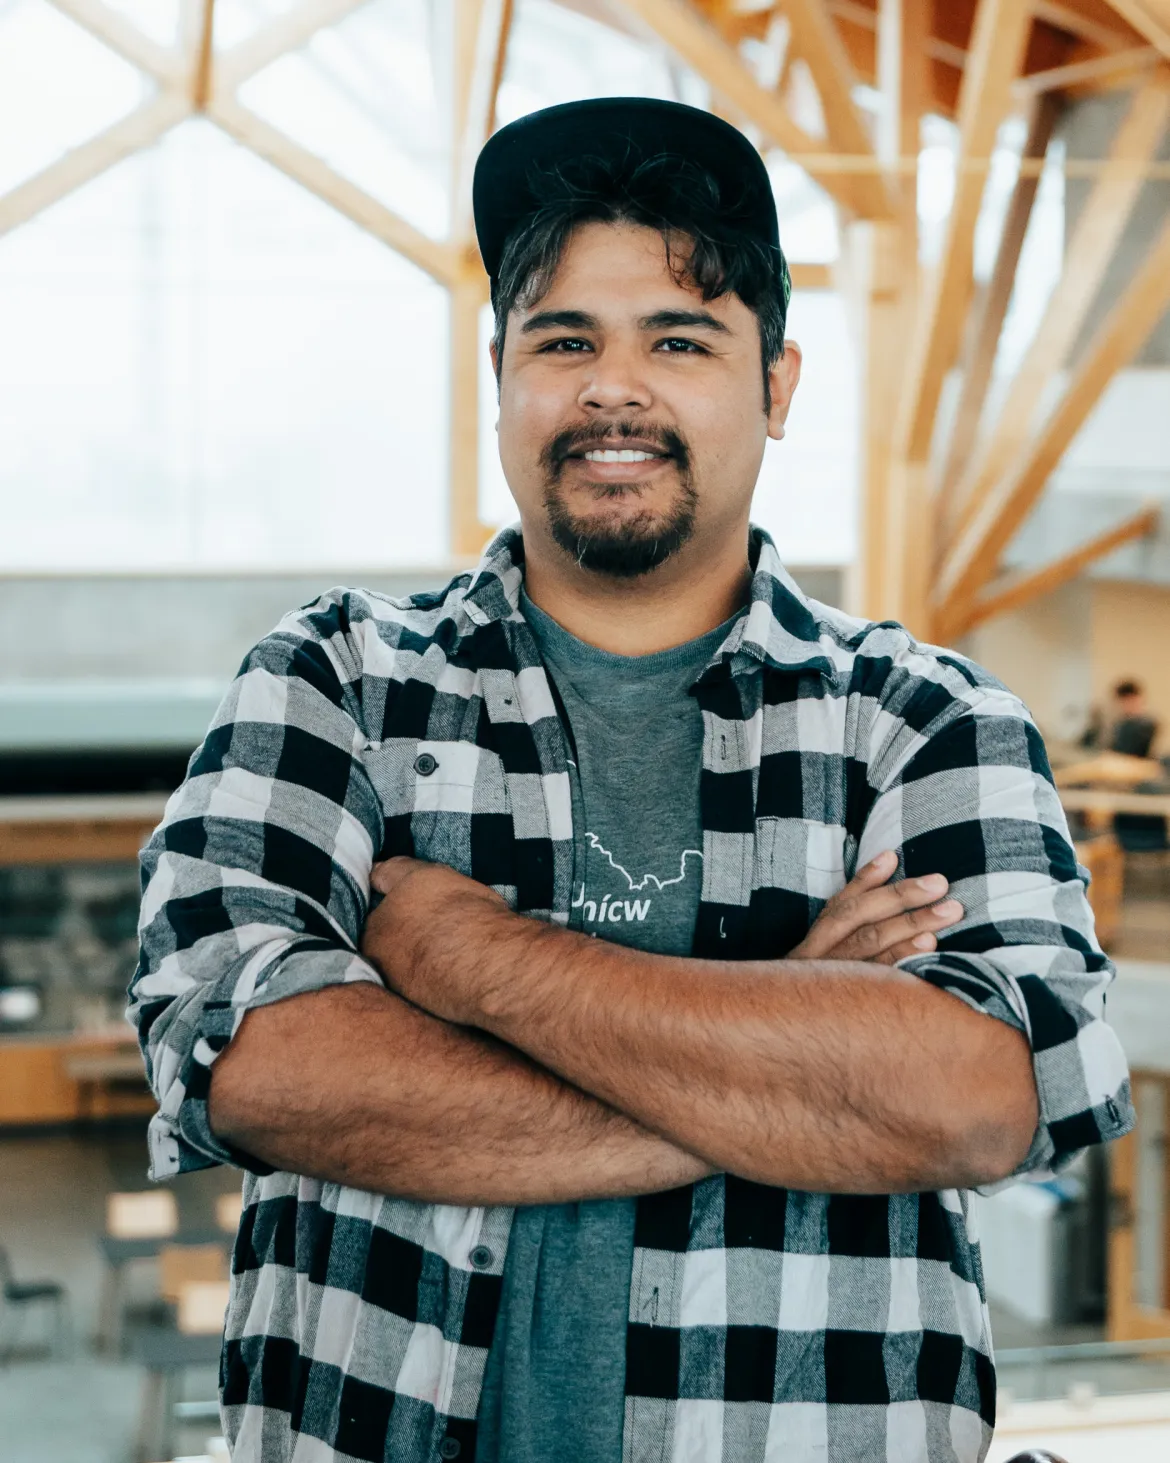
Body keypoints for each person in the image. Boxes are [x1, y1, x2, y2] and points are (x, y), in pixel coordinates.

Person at [130, 99, 1133, 1463]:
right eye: (564, 341)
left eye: (678, 340)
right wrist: (797, 1047)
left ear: (776, 386)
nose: (614, 388)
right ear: (499, 379)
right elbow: (255, 1068)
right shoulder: (338, 682)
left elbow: (978, 1097)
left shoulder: (924, 720)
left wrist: (474, 960)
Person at [1109, 679, 1159, 759]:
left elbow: (1137, 752)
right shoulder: (1120, 724)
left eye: (1128, 700)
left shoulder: (1147, 724)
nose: (1124, 705)